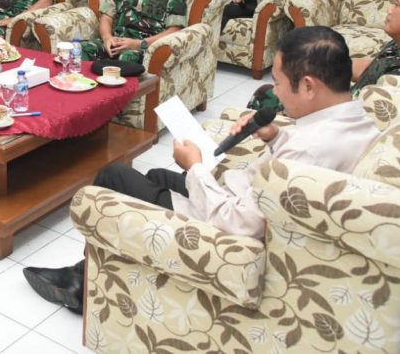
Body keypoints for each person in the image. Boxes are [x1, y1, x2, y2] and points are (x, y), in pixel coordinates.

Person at [23, 26, 379, 314]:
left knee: (113, 177)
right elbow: (290, 173)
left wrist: (194, 167)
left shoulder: (311, 147)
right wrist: (273, 136)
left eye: (280, 82)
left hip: (227, 228)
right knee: (156, 177)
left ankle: (81, 287)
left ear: (309, 86)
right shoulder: (354, 120)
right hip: (240, 199)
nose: (276, 92)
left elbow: (241, 224)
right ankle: (103, 267)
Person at [248, 0, 400, 113]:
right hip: (346, 102)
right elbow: (371, 68)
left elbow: (364, 115)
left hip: (340, 118)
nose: (389, 9)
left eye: (397, 4)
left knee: (266, 96)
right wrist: (316, 66)